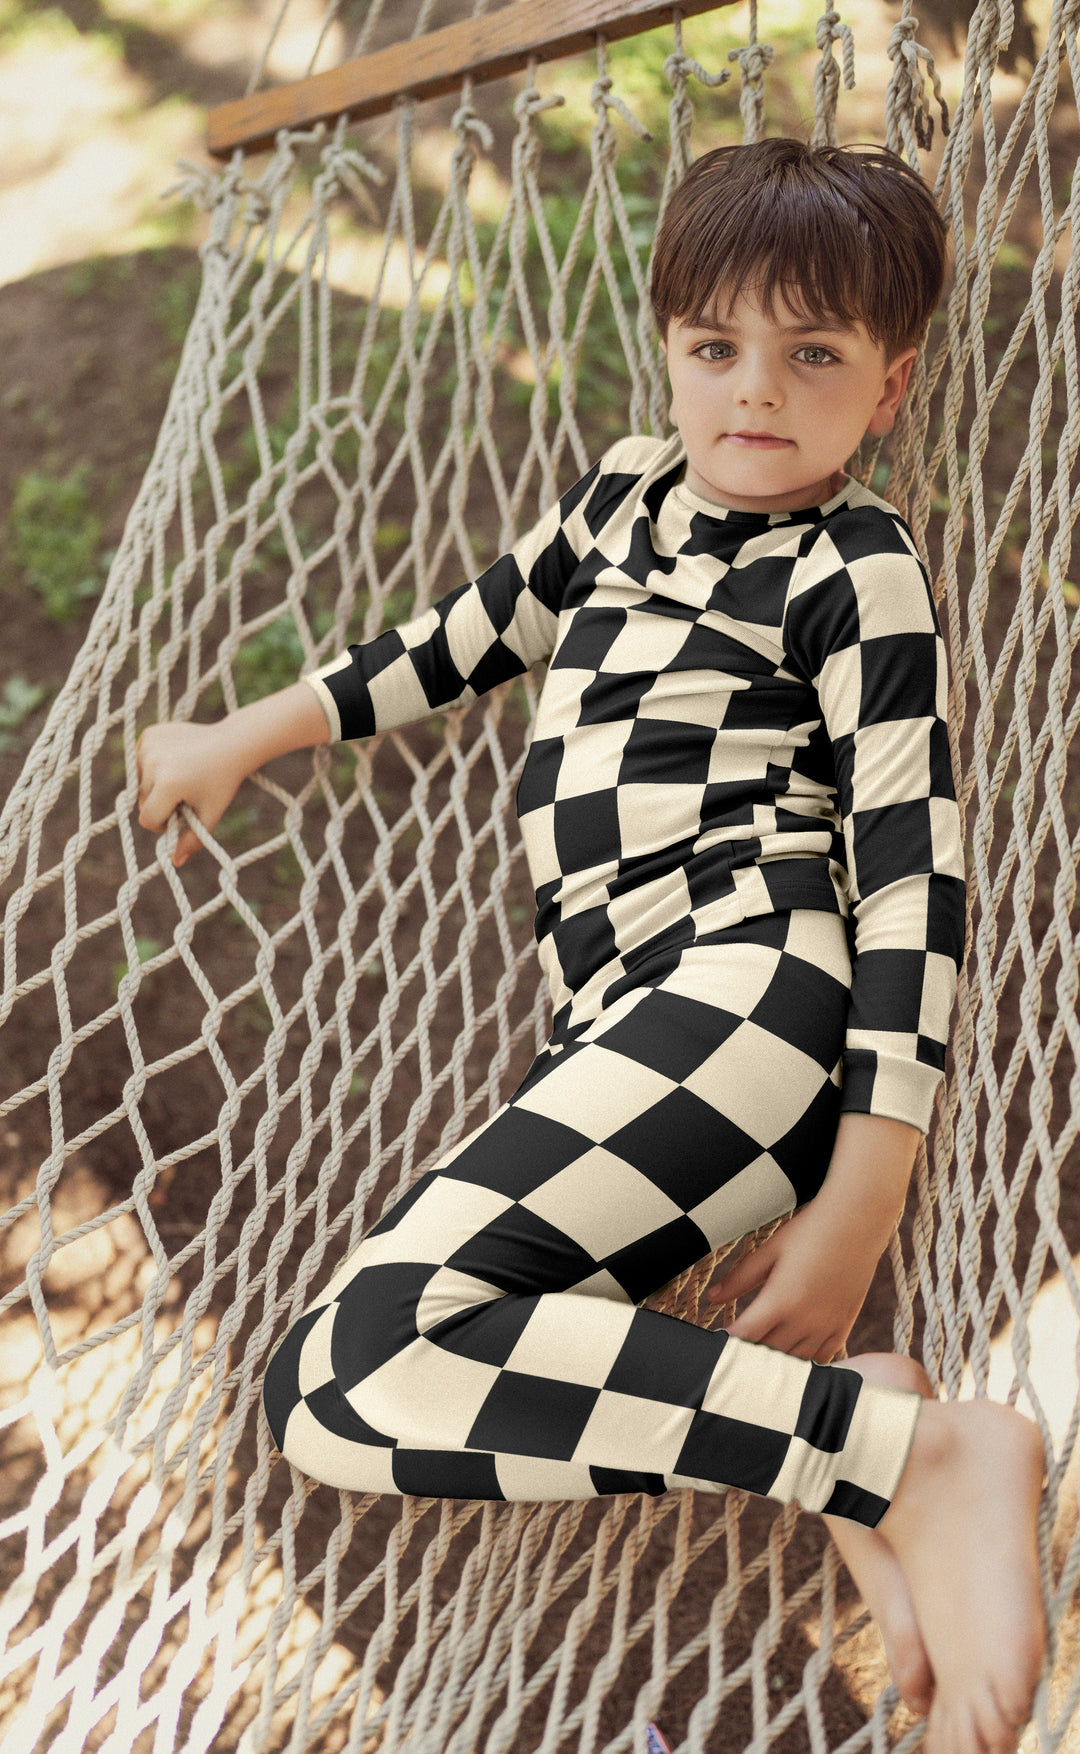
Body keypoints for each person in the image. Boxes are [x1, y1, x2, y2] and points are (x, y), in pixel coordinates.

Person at [136, 140, 1046, 1754]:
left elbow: (915, 880)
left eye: (812, 355)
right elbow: (449, 644)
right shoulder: (621, 500)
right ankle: (860, 1433)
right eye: (716, 346)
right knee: (365, 1380)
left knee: (357, 1358)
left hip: (755, 993)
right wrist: (242, 736)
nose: (753, 389)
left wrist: (864, 1197)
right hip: (627, 1028)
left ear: (891, 385)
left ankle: (922, 1461)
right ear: (669, 348)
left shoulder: (853, 565)